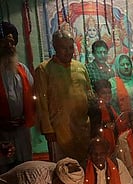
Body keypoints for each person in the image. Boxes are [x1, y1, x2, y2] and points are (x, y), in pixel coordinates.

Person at [34, 29, 92, 165]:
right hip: (59, 131)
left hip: (82, 128)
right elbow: (41, 103)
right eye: (63, 48)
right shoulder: (44, 69)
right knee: (62, 169)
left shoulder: (80, 67)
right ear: (55, 47)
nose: (68, 51)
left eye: (71, 47)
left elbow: (89, 95)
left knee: (84, 166)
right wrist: (48, 130)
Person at [0, 21, 34, 174]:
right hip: (1, 133)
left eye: (12, 42)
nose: (10, 47)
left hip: (21, 132)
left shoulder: (22, 69)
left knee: (24, 170)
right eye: (5, 43)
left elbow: (33, 97)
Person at [109, 54, 133, 134]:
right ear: (117, 67)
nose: (126, 67)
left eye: (128, 64)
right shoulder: (112, 83)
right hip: (120, 122)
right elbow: (111, 104)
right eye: (122, 65)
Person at [88, 79, 119, 156]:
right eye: (103, 93)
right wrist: (106, 126)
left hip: (111, 144)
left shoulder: (109, 106)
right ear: (96, 94)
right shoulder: (95, 108)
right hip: (100, 148)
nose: (107, 96)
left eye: (109, 92)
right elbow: (93, 128)